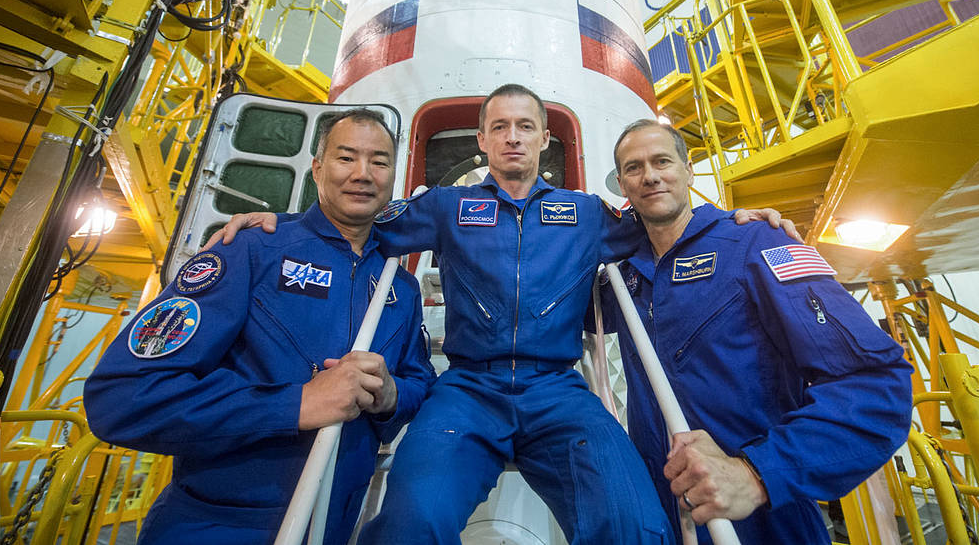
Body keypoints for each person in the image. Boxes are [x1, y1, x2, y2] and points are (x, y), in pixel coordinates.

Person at [210, 85, 796, 544]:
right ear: (483, 143)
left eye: (524, 127)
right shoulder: (446, 207)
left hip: (557, 391)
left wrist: (737, 219)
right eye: (499, 128)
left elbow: (664, 223)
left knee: (636, 523)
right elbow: (354, 219)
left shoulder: (586, 214)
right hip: (468, 389)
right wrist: (276, 228)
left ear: (544, 138)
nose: (512, 137)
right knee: (407, 524)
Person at [83, 110, 437, 545]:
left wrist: (391, 395)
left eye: (379, 162)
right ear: (317, 168)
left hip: (334, 524)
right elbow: (123, 398)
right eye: (347, 158)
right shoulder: (251, 249)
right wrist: (297, 404)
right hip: (216, 526)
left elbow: (420, 381)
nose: (363, 174)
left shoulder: (397, 284)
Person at [596, 118, 913, 544]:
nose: (650, 175)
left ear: (689, 171)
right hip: (666, 515)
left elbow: (876, 384)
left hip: (763, 516)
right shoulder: (624, 273)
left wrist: (757, 474)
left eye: (662, 161)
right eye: (634, 168)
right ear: (621, 183)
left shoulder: (756, 241)